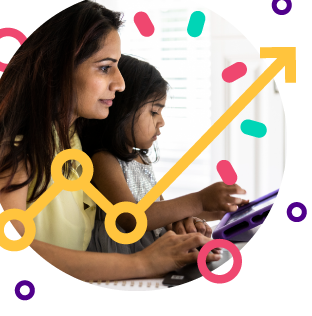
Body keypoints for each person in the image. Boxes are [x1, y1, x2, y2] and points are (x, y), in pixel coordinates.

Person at [0, 0, 244, 282]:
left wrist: (174, 220)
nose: (120, 84)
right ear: (56, 68)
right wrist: (143, 263)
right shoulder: (15, 148)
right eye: (105, 67)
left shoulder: (73, 139)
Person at [79, 54, 249, 254]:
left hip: (149, 246)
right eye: (154, 112)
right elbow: (130, 217)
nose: (161, 121)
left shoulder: (141, 158)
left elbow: (160, 210)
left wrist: (217, 210)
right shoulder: (103, 160)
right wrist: (199, 200)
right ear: (121, 109)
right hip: (123, 255)